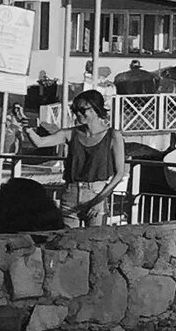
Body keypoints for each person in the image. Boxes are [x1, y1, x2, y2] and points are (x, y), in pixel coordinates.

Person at [30, 89, 122, 228]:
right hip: (70, 193)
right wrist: (26, 127)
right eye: (74, 110)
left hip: (96, 193)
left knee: (95, 242)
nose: (78, 113)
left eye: (82, 109)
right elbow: (40, 142)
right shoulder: (70, 133)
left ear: (96, 109)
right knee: (67, 242)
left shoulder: (113, 135)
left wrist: (100, 200)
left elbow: (119, 173)